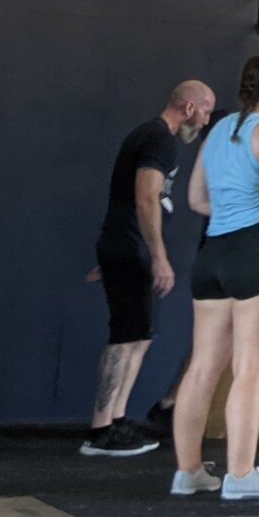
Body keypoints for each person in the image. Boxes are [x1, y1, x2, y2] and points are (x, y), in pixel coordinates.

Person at [169, 53, 259, 499]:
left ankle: (188, 471)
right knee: (250, 368)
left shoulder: (218, 132)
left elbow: (196, 199)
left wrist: (234, 207)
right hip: (255, 253)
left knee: (202, 368)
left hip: (212, 255)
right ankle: (241, 475)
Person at [85, 80, 214, 456]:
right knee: (125, 338)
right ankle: (100, 431)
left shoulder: (154, 137)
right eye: (205, 112)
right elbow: (145, 198)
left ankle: (116, 419)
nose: (205, 121)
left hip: (127, 247)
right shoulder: (159, 139)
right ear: (189, 108)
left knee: (139, 336)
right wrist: (157, 256)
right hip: (131, 248)